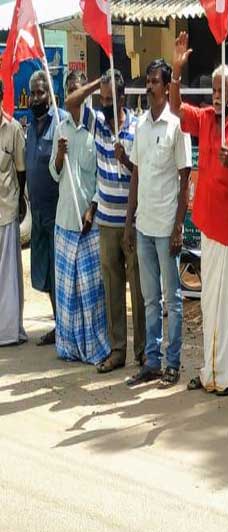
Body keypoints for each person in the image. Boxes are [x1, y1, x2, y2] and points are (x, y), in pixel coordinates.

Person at [170, 33, 228, 396]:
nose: (219, 96)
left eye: (226, 90)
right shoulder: (203, 118)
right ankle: (210, 371)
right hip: (207, 225)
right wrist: (176, 71)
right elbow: (174, 109)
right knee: (208, 303)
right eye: (215, 89)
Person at [64, 68, 146, 373]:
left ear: (123, 99)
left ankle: (143, 351)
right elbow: (71, 103)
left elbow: (142, 171)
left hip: (134, 220)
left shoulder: (137, 126)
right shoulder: (96, 123)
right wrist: (99, 83)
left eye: (112, 100)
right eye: (103, 99)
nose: (106, 105)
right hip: (106, 221)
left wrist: (125, 159)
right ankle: (117, 350)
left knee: (138, 289)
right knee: (113, 288)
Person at [124, 59, 192, 388]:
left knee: (173, 299)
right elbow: (136, 174)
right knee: (150, 298)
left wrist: (179, 225)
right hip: (144, 225)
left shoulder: (177, 126)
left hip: (167, 226)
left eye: (155, 81)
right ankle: (152, 361)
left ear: (167, 87)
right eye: (147, 81)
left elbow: (185, 178)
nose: (149, 86)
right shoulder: (140, 125)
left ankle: (173, 362)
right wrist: (129, 222)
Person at [49, 70, 110, 365]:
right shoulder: (60, 128)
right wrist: (59, 155)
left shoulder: (96, 126)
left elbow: (103, 176)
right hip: (65, 222)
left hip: (89, 221)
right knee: (67, 291)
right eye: (71, 88)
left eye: (78, 88)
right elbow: (54, 172)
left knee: (91, 292)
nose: (75, 93)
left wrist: (93, 207)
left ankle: (95, 348)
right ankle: (69, 346)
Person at [26, 70, 66, 346]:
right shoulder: (29, 126)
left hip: (57, 211)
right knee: (46, 272)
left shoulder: (60, 123)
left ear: (50, 96)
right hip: (37, 212)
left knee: (59, 272)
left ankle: (64, 327)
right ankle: (57, 324)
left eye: (42, 92)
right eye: (34, 93)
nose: (37, 98)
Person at [0, 80, 28, 346]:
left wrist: (20, 204)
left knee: (8, 274)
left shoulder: (13, 129)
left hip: (6, 209)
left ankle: (8, 332)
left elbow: (21, 171)